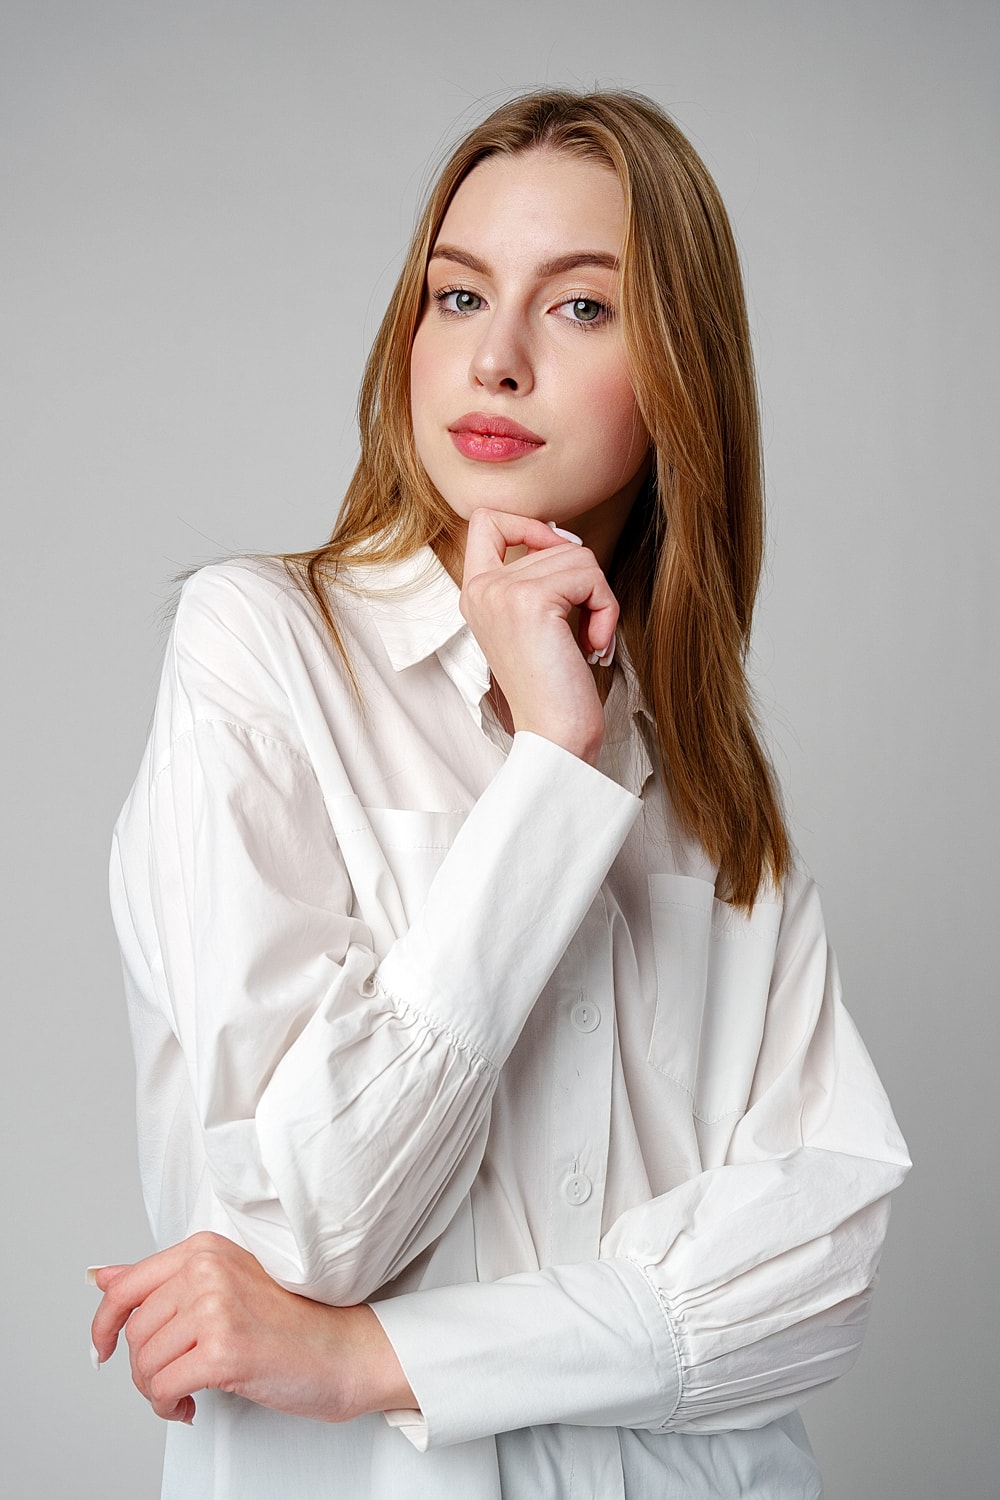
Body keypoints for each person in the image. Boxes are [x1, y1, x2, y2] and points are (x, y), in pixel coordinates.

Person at [90, 89, 909, 1500]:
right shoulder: (263, 650)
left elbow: (817, 1272)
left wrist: (375, 1360)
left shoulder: (707, 767)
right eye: (459, 295)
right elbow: (305, 1226)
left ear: (683, 372)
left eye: (582, 308)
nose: (496, 359)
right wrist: (550, 774)